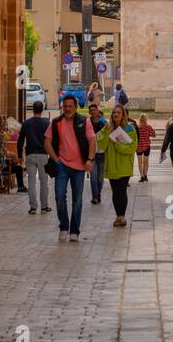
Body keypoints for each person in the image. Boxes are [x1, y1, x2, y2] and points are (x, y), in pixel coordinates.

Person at [45, 95, 96, 242]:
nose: (67, 109)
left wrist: (90, 160)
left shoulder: (83, 121)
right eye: (65, 106)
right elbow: (47, 142)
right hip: (62, 167)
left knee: (77, 200)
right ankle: (63, 227)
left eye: (70, 106)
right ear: (62, 107)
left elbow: (92, 141)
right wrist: (56, 159)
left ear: (76, 107)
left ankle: (74, 231)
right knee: (59, 197)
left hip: (79, 167)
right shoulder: (56, 123)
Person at [98, 104, 138, 227]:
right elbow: (101, 145)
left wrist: (117, 144)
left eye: (118, 113)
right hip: (111, 166)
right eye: (114, 112)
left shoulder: (130, 129)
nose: (115, 114)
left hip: (124, 165)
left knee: (121, 191)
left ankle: (122, 216)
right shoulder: (107, 127)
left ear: (123, 115)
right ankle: (118, 216)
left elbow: (132, 148)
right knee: (115, 192)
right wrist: (106, 133)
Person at [18, 100, 52, 215]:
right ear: (42, 110)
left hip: (30, 154)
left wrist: (19, 155)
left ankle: (33, 207)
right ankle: (44, 206)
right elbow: (52, 139)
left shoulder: (26, 123)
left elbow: (20, 140)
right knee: (44, 182)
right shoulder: (47, 123)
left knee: (31, 182)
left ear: (33, 109)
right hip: (43, 155)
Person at [87, 101, 108, 204]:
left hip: (102, 153)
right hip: (92, 154)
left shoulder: (103, 122)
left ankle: (98, 193)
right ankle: (95, 197)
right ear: (89, 112)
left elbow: (108, 135)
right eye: (91, 110)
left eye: (94, 110)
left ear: (97, 111)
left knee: (100, 177)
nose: (92, 112)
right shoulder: (87, 123)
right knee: (93, 176)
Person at [135, 113, 155, 182]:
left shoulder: (137, 127)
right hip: (147, 146)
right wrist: (148, 134)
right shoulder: (148, 127)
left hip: (138, 147)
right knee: (146, 162)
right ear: (146, 119)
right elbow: (154, 134)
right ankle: (146, 175)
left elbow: (135, 137)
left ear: (139, 119)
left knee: (140, 162)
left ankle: (141, 176)